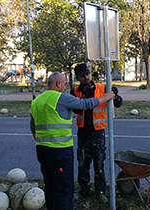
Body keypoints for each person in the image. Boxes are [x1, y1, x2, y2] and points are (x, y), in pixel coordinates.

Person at [30, 72, 115, 210]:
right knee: (64, 188)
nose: (65, 87)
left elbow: (33, 128)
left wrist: (43, 142)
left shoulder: (36, 101)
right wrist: (106, 97)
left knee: (50, 185)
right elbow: (85, 104)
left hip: (42, 151)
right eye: (64, 84)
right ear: (58, 84)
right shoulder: (61, 98)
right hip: (60, 152)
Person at [70, 63, 122, 201]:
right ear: (77, 77)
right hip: (83, 132)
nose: (86, 77)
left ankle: (100, 191)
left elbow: (118, 103)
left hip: (98, 132)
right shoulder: (74, 91)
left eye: (87, 74)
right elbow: (75, 109)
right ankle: (84, 190)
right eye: (83, 76)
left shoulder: (102, 88)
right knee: (83, 163)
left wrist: (115, 96)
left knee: (99, 164)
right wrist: (84, 99)